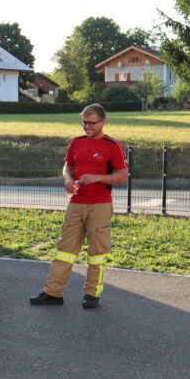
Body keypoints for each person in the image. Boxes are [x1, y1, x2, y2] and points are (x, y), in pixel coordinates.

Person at [30, 103, 128, 309]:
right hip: (75, 203)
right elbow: (69, 165)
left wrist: (97, 178)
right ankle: (53, 292)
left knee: (97, 252)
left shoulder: (112, 145)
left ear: (103, 122)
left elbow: (122, 176)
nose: (87, 126)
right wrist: (67, 178)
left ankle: (92, 294)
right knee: (64, 250)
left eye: (91, 123)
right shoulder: (77, 142)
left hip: (99, 205)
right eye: (84, 122)